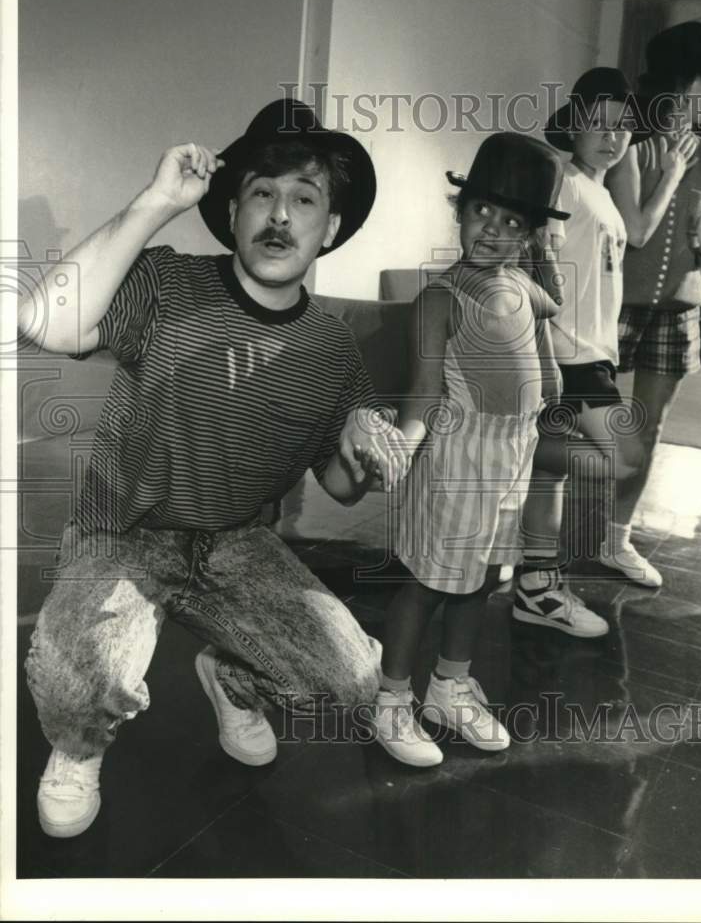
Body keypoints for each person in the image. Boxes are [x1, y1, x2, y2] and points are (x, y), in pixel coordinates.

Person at [19, 97, 410, 839]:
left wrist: (364, 447)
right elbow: (44, 321)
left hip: (236, 544)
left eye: (304, 198)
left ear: (329, 229)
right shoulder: (169, 284)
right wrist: (157, 202)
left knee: (351, 682)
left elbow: (339, 485)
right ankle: (76, 749)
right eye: (262, 192)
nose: (280, 216)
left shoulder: (333, 350)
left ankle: (230, 680)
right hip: (126, 534)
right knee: (82, 675)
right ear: (232, 211)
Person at [370, 133, 570, 767]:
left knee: (480, 580)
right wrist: (398, 450)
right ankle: (393, 701)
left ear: (531, 235)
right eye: (482, 210)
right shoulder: (440, 297)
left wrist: (546, 257)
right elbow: (424, 395)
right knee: (429, 584)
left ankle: (449, 688)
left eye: (513, 221)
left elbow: (552, 329)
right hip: (460, 461)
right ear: (459, 210)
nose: (492, 229)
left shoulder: (525, 288)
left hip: (512, 457)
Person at [508, 67, 654, 637]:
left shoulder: (602, 194)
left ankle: (535, 586)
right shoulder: (562, 179)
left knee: (555, 479)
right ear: (575, 123)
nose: (613, 136)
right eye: (601, 121)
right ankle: (521, 460)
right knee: (624, 457)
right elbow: (530, 251)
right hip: (566, 354)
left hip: (594, 353)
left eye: (624, 127)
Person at [604, 22, 701, 580]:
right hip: (616, 307)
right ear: (681, 83)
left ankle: (616, 538)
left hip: (680, 307)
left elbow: (695, 245)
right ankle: (559, 535)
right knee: (588, 426)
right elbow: (631, 231)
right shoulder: (629, 143)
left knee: (649, 427)